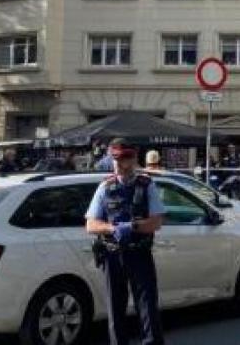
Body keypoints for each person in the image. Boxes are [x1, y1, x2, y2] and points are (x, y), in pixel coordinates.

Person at [85, 138, 165, 345]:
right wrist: (112, 228)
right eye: (117, 159)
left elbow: (156, 222)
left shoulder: (147, 185)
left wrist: (133, 227)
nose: (121, 164)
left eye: (126, 159)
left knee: (148, 309)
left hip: (139, 254)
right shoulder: (105, 187)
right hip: (113, 254)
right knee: (115, 311)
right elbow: (91, 224)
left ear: (134, 159)